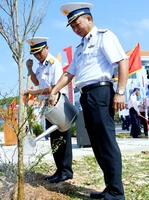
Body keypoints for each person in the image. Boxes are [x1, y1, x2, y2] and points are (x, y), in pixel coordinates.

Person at [49, 2, 128, 199]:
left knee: (106, 142)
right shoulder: (80, 47)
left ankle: (116, 192)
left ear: (89, 19)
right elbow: (70, 73)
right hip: (87, 96)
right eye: (73, 27)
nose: (76, 29)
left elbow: (122, 60)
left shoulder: (104, 36)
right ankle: (109, 188)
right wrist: (54, 91)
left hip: (101, 92)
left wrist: (120, 92)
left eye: (78, 24)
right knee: (97, 143)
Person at [25, 37, 73, 183]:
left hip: (58, 103)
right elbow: (36, 82)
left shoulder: (54, 64)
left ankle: (66, 171)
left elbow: (55, 87)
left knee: (62, 138)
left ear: (47, 48)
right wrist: (29, 69)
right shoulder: (40, 66)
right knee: (54, 139)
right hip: (47, 105)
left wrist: (33, 93)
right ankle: (59, 170)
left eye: (39, 52)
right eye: (35, 54)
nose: (38, 56)